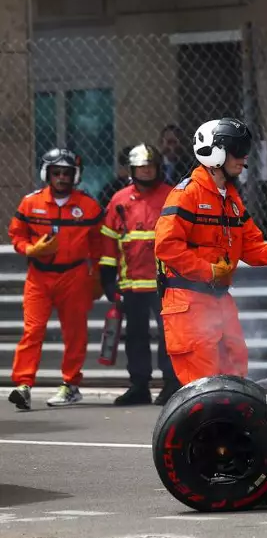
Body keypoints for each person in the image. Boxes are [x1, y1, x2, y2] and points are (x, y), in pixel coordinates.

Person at [154, 117, 267, 385]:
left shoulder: (231, 199)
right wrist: (208, 270)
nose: (244, 157)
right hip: (188, 302)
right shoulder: (186, 194)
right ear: (216, 153)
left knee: (235, 374)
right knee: (204, 386)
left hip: (219, 301)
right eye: (237, 151)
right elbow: (167, 246)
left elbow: (251, 247)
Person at [7, 148, 104, 410]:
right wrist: (31, 249)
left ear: (76, 175)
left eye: (67, 173)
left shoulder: (89, 206)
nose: (62, 177)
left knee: (74, 333)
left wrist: (98, 276)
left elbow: (100, 244)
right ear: (46, 173)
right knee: (32, 330)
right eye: (56, 172)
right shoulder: (30, 203)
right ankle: (23, 385)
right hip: (38, 277)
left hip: (75, 276)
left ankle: (70, 385)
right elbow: (16, 235)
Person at [100, 143, 180, 406]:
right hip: (131, 283)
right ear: (132, 170)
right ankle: (139, 386)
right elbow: (109, 240)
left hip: (165, 281)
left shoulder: (173, 196)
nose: (146, 171)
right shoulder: (119, 199)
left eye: (150, 166)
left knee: (170, 336)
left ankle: (171, 383)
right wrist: (107, 278)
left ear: (158, 168)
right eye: (141, 167)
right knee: (135, 337)